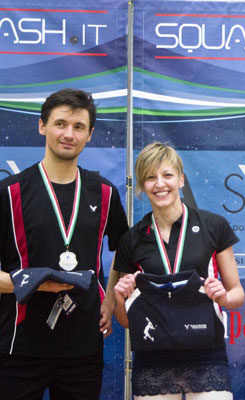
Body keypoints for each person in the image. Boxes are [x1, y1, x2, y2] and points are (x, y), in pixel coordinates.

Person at [0, 88, 129, 399]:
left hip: (83, 347)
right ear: (42, 126)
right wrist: (29, 283)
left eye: (78, 127)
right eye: (60, 124)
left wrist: (110, 299)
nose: (69, 134)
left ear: (89, 134)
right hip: (19, 346)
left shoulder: (105, 193)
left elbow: (125, 253)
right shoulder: (9, 193)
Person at [112, 142, 244, 400]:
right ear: (142, 185)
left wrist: (223, 297)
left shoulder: (213, 225)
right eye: (150, 177)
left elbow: (237, 294)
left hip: (206, 352)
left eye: (167, 175)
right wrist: (119, 298)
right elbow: (126, 321)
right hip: (153, 357)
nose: (160, 184)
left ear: (181, 180)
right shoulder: (131, 239)